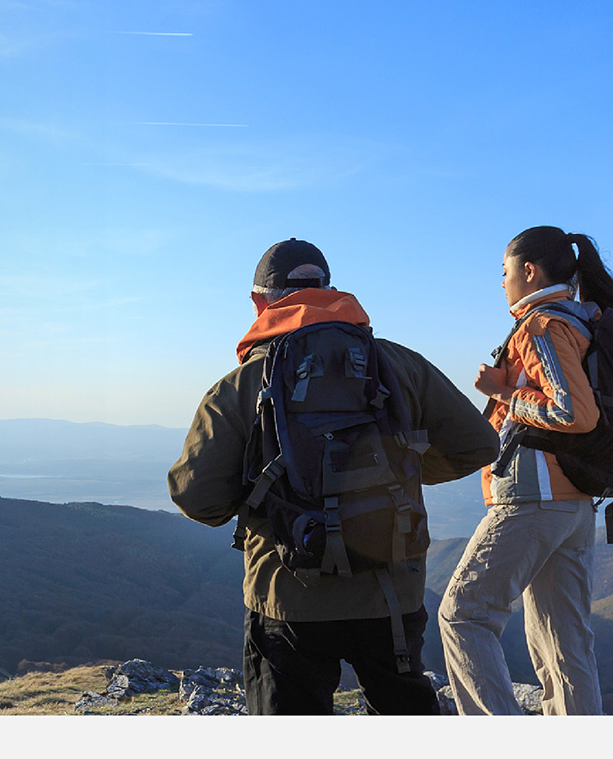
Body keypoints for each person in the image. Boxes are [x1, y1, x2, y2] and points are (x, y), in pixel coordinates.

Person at [169, 238, 499, 715]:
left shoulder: (243, 385)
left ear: (259, 302)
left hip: (288, 596)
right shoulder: (398, 365)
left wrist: (267, 488)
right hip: (391, 591)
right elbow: (479, 444)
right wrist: (399, 470)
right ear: (330, 290)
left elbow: (197, 497)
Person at [439, 226, 613, 716]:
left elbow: (574, 412)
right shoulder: (583, 319)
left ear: (528, 271)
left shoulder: (542, 325)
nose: (501, 284)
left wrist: (502, 394)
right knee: (564, 641)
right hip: (574, 502)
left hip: (535, 495)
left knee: (464, 616)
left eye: (504, 273)